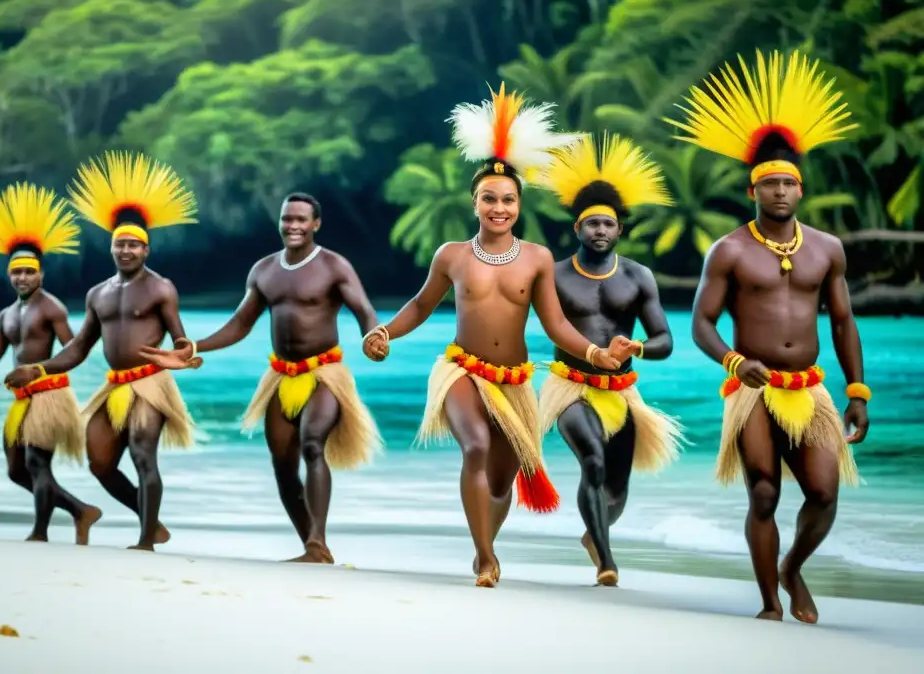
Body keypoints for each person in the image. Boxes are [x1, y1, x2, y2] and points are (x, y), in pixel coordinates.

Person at [362, 83, 636, 588]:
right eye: (489, 198)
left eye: (508, 199)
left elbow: (555, 325)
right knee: (475, 450)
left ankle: (486, 542)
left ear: (519, 204)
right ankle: (485, 556)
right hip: (460, 370)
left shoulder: (535, 259)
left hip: (513, 380)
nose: (499, 207)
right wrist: (383, 332)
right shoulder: (452, 255)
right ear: (475, 202)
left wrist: (598, 352)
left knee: (505, 476)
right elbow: (422, 305)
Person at [667, 49, 869, 623]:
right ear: (753, 190)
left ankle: (792, 567)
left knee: (825, 493)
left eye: (789, 183)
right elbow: (700, 324)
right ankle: (769, 601)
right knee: (762, 491)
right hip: (751, 388)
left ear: (800, 190)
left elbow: (842, 321)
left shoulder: (827, 249)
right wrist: (733, 363)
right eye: (769, 184)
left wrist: (857, 391)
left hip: (809, 387)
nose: (780, 191)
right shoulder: (728, 250)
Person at [138, 192, 384, 565]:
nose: (294, 226)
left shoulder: (334, 266)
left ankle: (318, 541)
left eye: (302, 220)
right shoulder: (264, 270)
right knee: (283, 466)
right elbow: (240, 324)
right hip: (280, 377)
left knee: (313, 444)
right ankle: (312, 548)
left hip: (324, 374)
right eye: (288, 219)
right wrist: (193, 348)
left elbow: (364, 309)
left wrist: (373, 336)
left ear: (316, 224)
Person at [4, 151, 201, 551]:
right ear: (111, 248)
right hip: (113, 388)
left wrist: (184, 353)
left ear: (146, 250)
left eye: (133, 245)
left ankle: (146, 539)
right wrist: (38, 370)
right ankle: (153, 523)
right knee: (100, 464)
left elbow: (180, 339)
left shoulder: (162, 288)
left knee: (144, 456)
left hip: (149, 383)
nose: (125, 250)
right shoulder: (99, 294)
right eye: (119, 245)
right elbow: (77, 348)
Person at [535, 132, 684, 587]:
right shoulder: (554, 274)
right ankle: (606, 560)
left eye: (608, 224)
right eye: (592, 224)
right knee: (593, 463)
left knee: (616, 487)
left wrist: (635, 348)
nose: (600, 231)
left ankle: (595, 534)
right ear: (577, 229)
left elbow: (664, 339)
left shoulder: (639, 277)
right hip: (569, 386)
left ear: (621, 229)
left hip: (621, 390)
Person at [0, 182, 102, 545]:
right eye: (17, 272)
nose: (23, 277)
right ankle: (80, 511)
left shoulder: (52, 308)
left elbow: (75, 349)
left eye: (29, 272)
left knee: (35, 464)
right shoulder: (6, 315)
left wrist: (40, 369)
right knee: (16, 470)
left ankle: (40, 533)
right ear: (9, 275)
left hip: (49, 395)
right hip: (21, 400)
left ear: (41, 274)